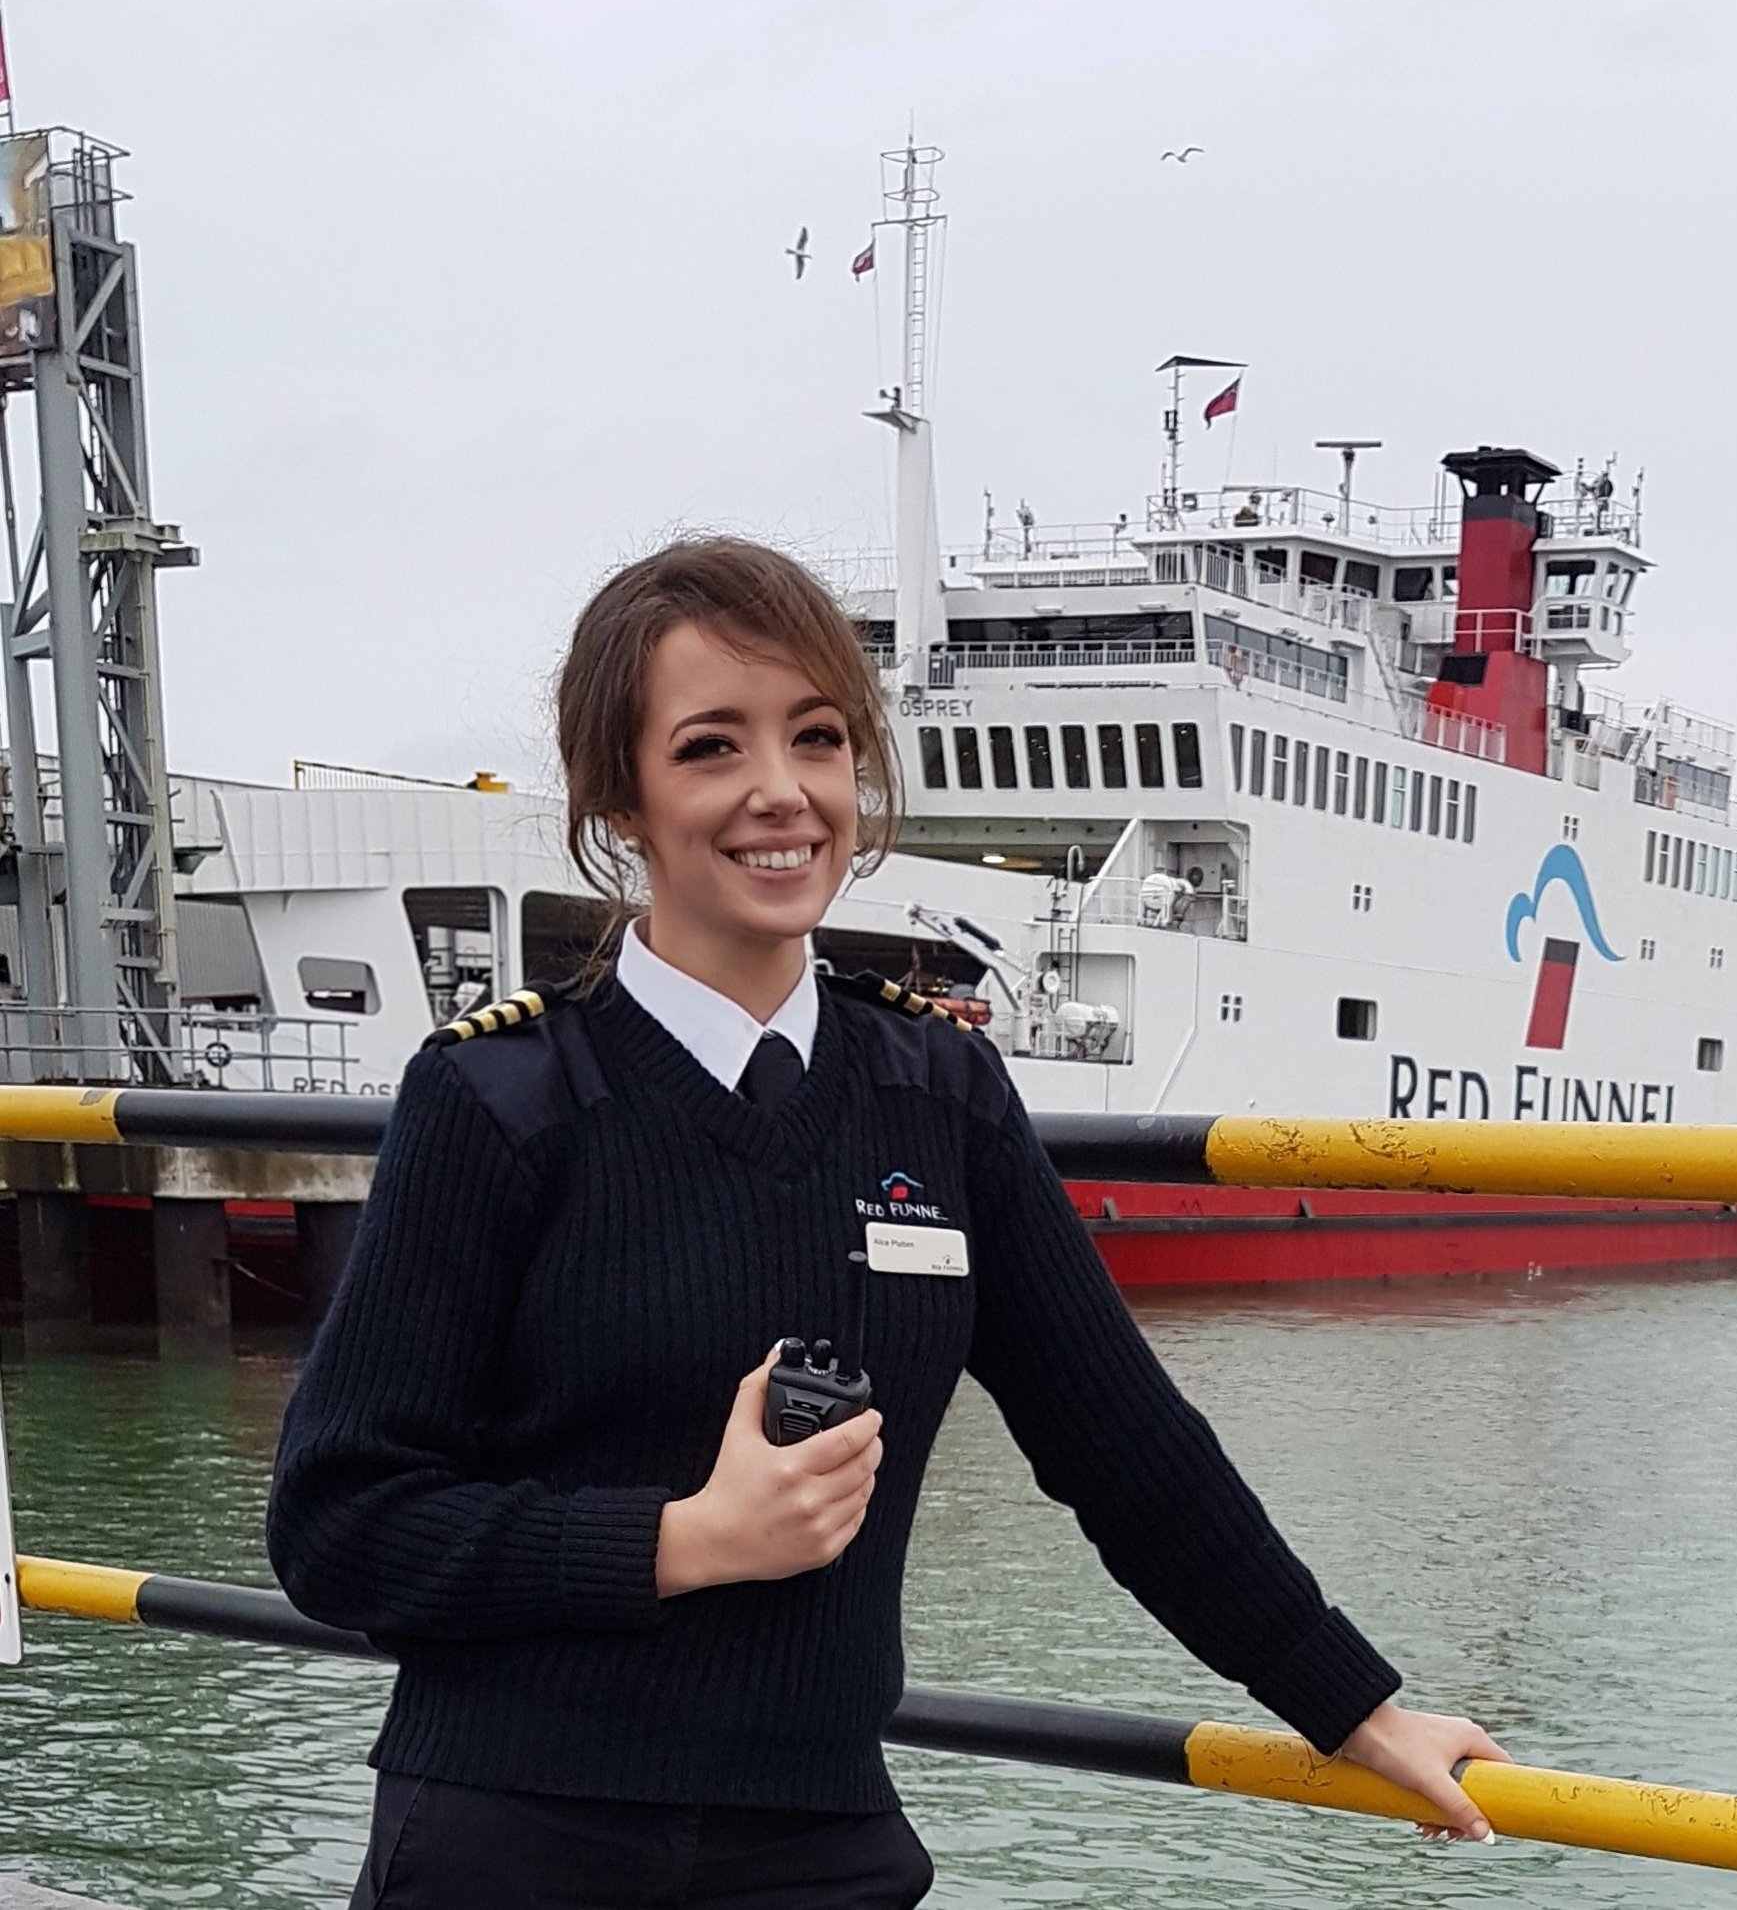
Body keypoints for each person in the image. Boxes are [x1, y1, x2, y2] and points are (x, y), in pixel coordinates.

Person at [267, 538, 1504, 1909]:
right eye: (710, 748)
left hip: (814, 1840)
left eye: (818, 738)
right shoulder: (501, 1098)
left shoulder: (938, 1091)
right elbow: (341, 1526)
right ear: (617, 794)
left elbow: (1129, 1451)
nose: (782, 793)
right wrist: (684, 1541)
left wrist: (1353, 1707)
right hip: (514, 1838)